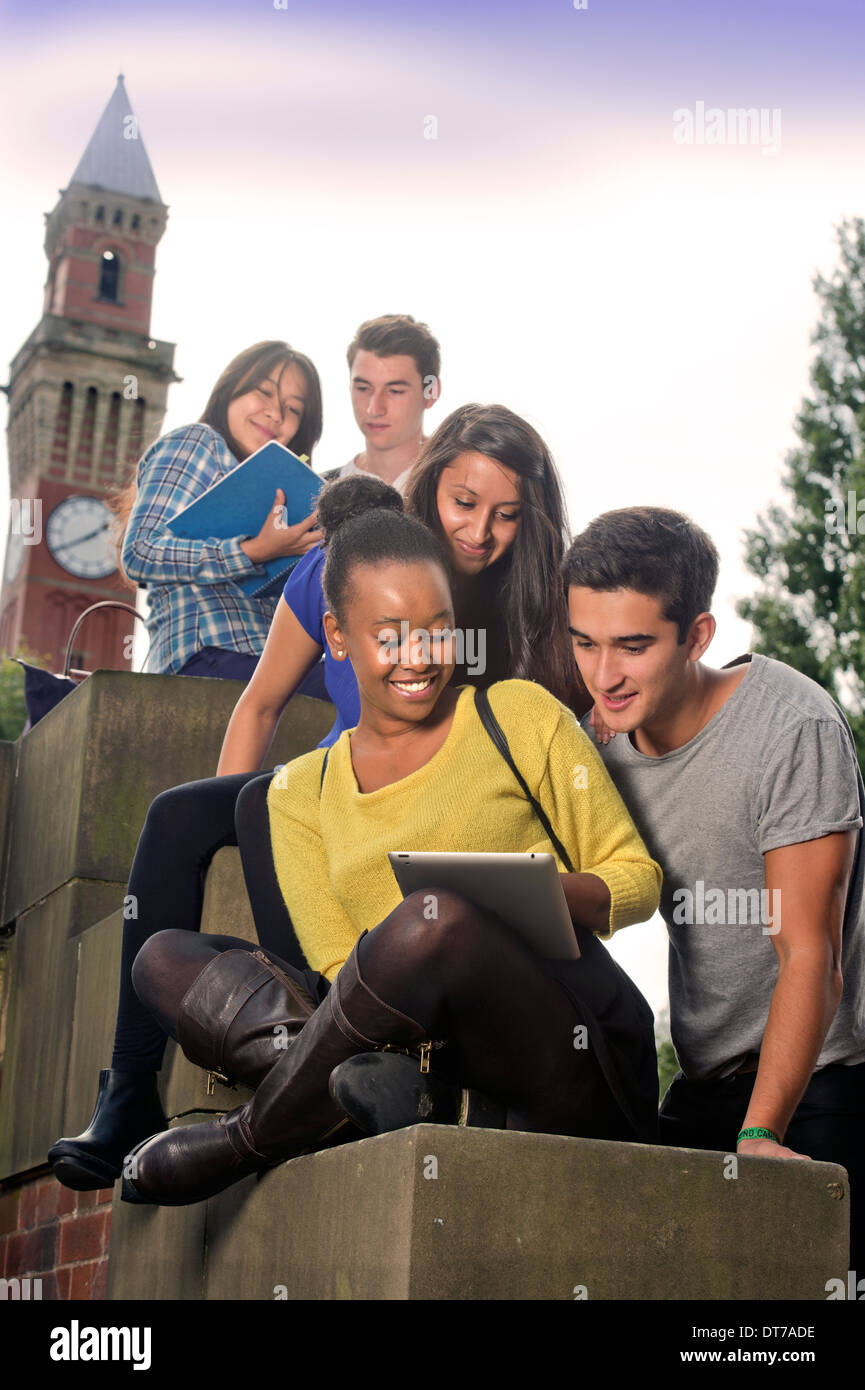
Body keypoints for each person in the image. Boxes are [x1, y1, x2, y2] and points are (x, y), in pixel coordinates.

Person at [47, 401, 580, 1191]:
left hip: (429, 814)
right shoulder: (341, 567)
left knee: (275, 806)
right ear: (429, 486)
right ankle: (127, 1092)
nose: (478, 531)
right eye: (463, 504)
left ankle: (325, 1044)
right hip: (333, 782)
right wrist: (236, 795)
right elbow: (260, 702)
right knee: (189, 812)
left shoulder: (531, 615)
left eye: (504, 515)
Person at [119, 505, 663, 1206]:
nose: (419, 657)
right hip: (406, 1046)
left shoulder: (516, 715)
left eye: (437, 629)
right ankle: (390, 1098)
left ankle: (249, 1138)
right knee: (162, 958)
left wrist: (534, 896)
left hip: (565, 1044)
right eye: (390, 636)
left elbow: (638, 881)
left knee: (432, 917)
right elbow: (339, 971)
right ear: (337, 638)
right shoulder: (297, 793)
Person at [563, 505, 865, 1268]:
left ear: (696, 636)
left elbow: (808, 953)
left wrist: (760, 1135)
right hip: (703, 1078)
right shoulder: (595, 744)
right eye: (585, 644)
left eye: (632, 647)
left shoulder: (790, 725)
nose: (604, 675)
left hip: (823, 1080)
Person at [115, 339, 325, 680]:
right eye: (263, 392)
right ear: (231, 389)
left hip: (274, 663)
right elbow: (140, 552)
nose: (276, 413)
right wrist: (254, 551)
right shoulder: (200, 442)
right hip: (214, 657)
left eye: (294, 409)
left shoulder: (281, 491)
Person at [319, 313, 441, 492]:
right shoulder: (319, 492)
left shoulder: (462, 486)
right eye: (363, 388)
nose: (373, 409)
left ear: (431, 392)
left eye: (395, 391)